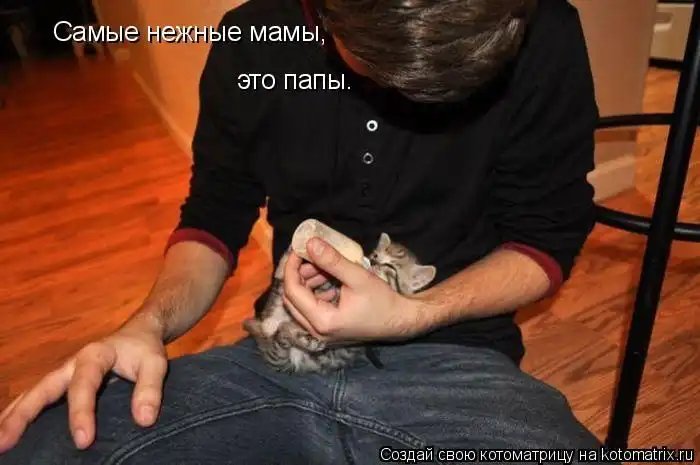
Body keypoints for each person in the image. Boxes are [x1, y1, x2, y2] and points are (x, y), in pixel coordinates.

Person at [0, 0, 605, 462]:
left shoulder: (543, 28)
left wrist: (413, 314)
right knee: (44, 447)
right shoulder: (254, 39)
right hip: (280, 357)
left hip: (456, 365)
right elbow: (214, 216)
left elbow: (545, 238)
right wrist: (146, 324)